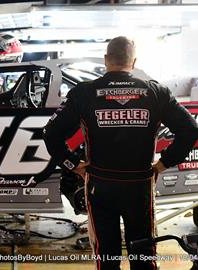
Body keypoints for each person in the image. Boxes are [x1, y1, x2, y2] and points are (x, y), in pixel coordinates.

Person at [43, 36, 198, 270]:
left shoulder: (83, 93)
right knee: (143, 252)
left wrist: (73, 164)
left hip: (100, 184)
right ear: (133, 62)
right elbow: (190, 129)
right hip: (140, 184)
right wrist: (163, 164)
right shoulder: (156, 92)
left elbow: (51, 133)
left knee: (107, 254)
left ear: (106, 60)